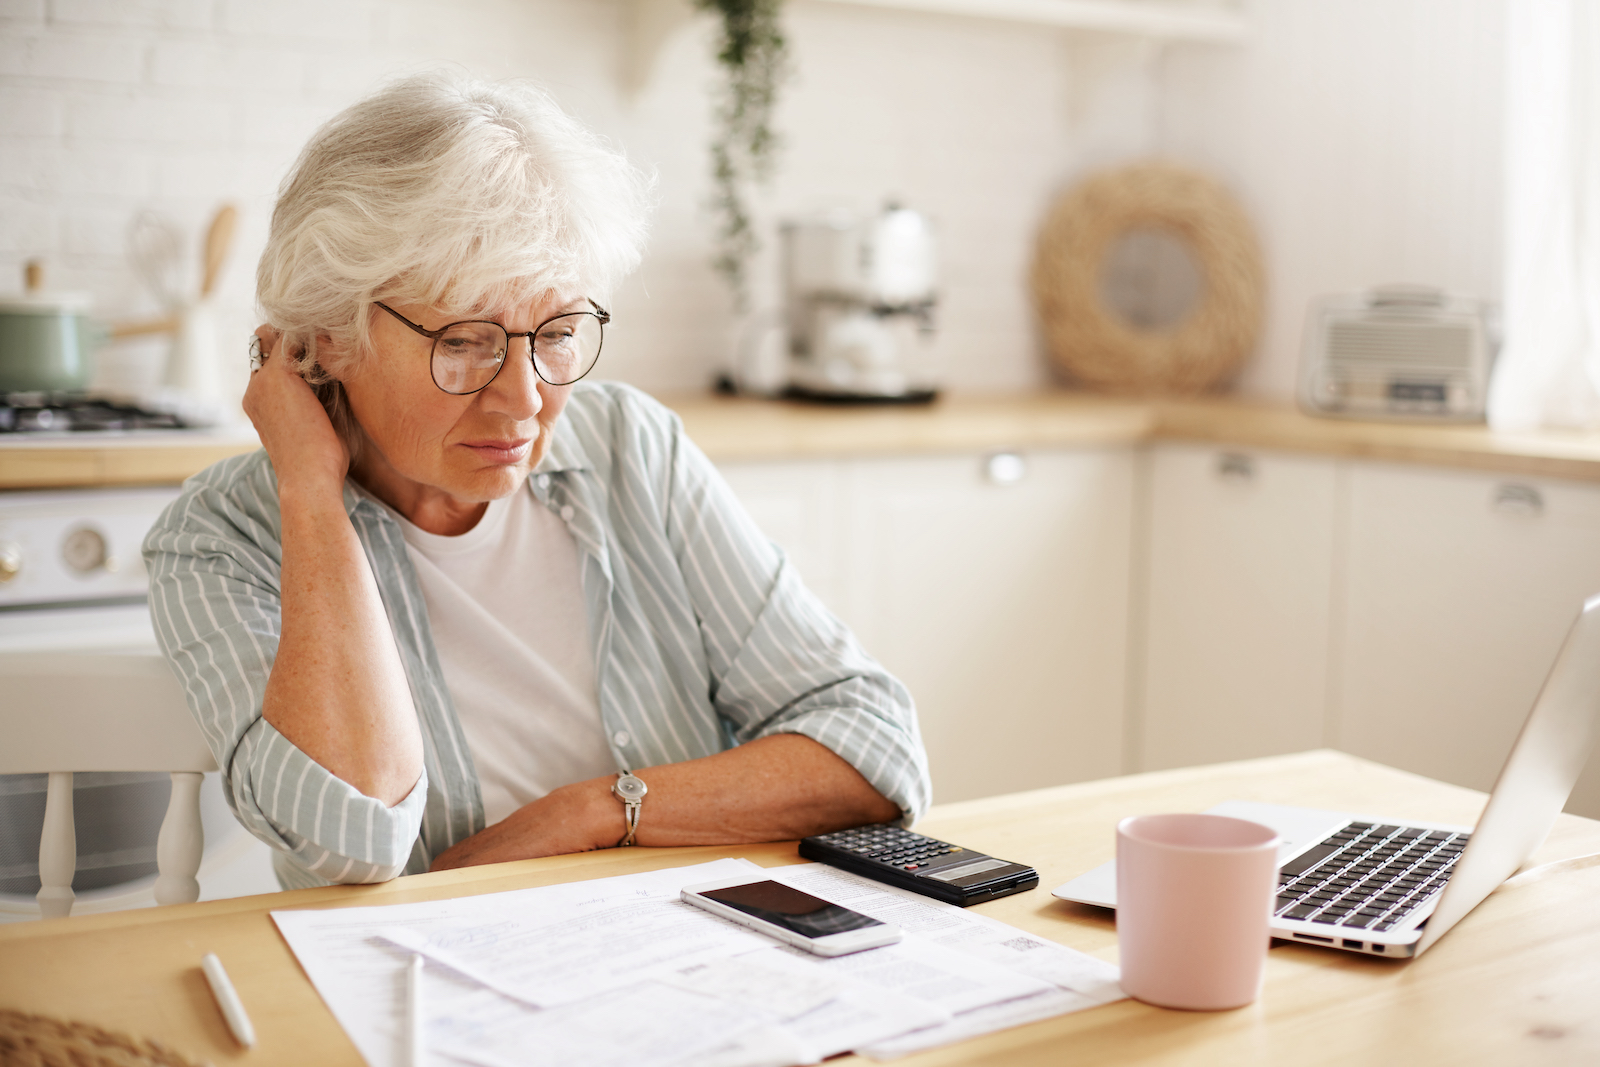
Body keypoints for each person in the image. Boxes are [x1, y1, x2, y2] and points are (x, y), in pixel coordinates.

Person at [143, 72, 930, 890]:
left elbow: (873, 748)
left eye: (555, 332)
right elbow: (352, 838)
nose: (525, 399)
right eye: (464, 340)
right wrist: (309, 491)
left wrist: (589, 814)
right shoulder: (221, 535)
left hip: (682, 953)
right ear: (328, 336)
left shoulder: (629, 447)